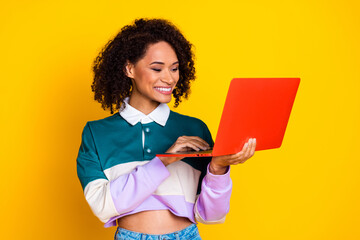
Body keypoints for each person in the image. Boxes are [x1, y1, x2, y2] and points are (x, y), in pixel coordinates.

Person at [76, 18, 256, 240]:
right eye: (157, 68)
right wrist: (164, 161)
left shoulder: (194, 129)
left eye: (174, 68)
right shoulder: (97, 134)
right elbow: (104, 206)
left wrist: (218, 168)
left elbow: (211, 215)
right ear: (129, 68)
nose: (169, 78)